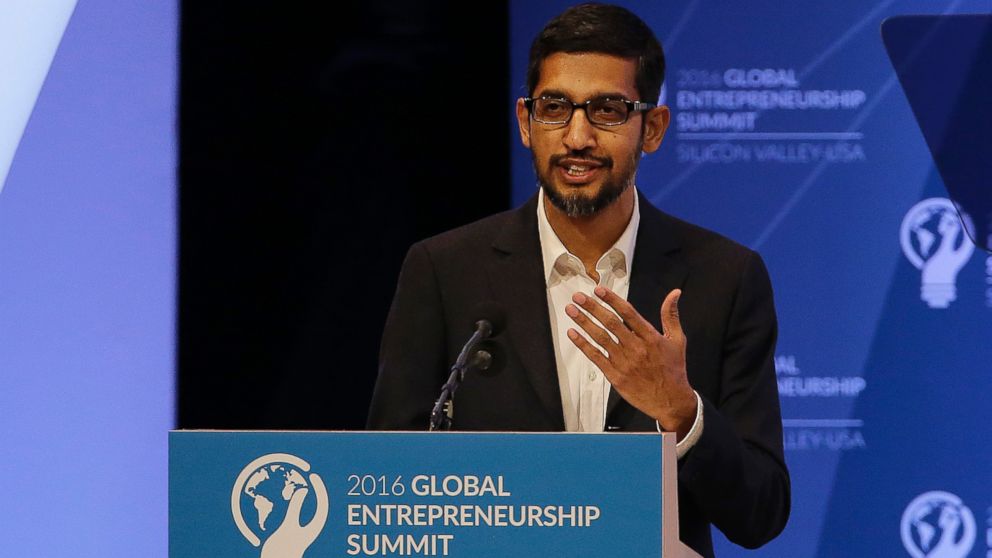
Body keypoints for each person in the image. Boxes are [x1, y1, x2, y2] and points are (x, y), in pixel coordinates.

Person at [367, 3, 790, 556]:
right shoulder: (445, 271)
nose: (577, 136)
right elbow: (384, 484)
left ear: (653, 128)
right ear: (525, 122)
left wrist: (683, 413)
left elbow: (761, 514)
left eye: (608, 110)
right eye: (555, 107)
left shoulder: (724, 278)